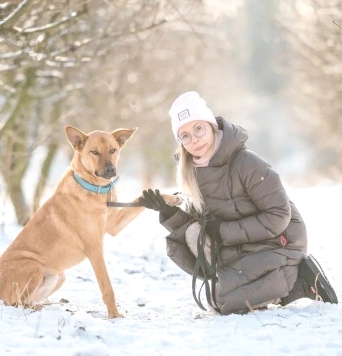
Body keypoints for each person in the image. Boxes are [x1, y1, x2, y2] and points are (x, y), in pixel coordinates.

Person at [139, 91, 338, 315]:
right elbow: (198, 234)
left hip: (280, 242)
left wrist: (224, 231)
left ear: (212, 126)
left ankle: (298, 279)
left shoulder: (248, 163)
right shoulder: (191, 175)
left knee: (224, 303)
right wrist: (169, 212)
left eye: (198, 129)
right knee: (198, 246)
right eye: (184, 135)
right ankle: (244, 283)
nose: (194, 139)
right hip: (241, 246)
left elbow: (278, 216)